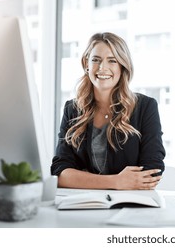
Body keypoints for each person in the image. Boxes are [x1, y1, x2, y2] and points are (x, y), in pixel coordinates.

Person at [51, 32, 165, 190]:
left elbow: (152, 172)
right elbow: (60, 172)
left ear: (122, 66)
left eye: (112, 61)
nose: (102, 68)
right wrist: (116, 181)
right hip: (85, 203)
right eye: (96, 60)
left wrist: (81, 178)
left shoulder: (145, 107)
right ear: (86, 64)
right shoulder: (72, 110)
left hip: (130, 204)